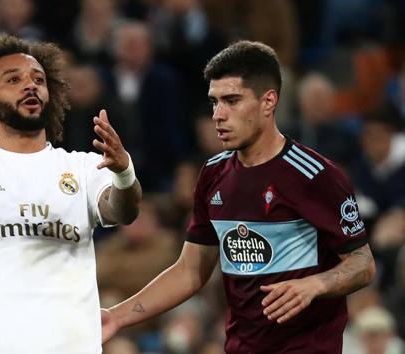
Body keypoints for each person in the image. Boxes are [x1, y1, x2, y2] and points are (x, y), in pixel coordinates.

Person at [101, 40, 376, 353]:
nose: (219, 114)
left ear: (268, 102)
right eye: (214, 102)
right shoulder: (213, 174)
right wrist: (117, 317)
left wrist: (316, 284)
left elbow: (362, 263)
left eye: (232, 100)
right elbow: (191, 271)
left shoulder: (314, 175)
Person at [0, 35, 142, 353]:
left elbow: (123, 211)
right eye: (13, 79)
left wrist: (123, 171)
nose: (30, 86)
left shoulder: (83, 167)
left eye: (38, 80)